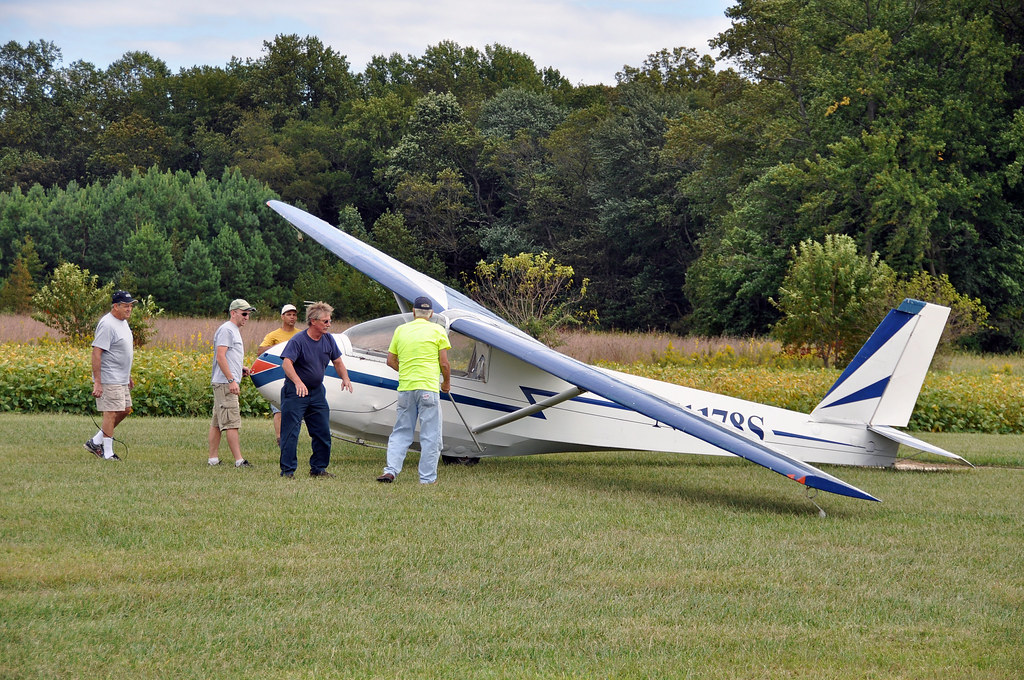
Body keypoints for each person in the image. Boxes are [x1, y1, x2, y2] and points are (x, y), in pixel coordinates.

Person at [377, 296, 451, 485]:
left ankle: (391, 470)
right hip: (428, 388)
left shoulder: (401, 330)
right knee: (430, 435)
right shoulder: (438, 330)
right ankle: (426, 478)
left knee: (401, 431)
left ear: (413, 312)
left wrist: (408, 371)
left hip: (406, 388)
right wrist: (446, 383)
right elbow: (444, 363)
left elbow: (391, 360)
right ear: (431, 314)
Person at [279, 301, 353, 478]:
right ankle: (288, 471)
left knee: (322, 432)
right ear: (313, 321)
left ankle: (318, 468)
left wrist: (345, 378)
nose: (329, 324)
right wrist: (298, 382)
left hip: (317, 392)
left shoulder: (328, 339)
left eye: (330, 321)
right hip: (295, 392)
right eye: (325, 321)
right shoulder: (298, 340)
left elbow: (337, 361)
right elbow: (286, 363)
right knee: (291, 432)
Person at [84, 290, 137, 461]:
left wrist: (128, 375)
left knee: (126, 409)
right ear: (116, 306)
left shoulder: (123, 322)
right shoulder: (107, 324)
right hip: (109, 377)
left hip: (121, 378)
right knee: (111, 412)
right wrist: (97, 382)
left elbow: (122, 351)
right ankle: (108, 453)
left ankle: (96, 441)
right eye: (126, 306)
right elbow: (96, 353)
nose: (129, 309)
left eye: (130, 306)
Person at [208, 299, 255, 468]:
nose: (247, 317)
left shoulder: (233, 330)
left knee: (217, 422)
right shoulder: (227, 330)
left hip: (224, 381)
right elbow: (220, 356)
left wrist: (238, 368)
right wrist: (231, 380)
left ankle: (213, 459)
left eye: (248, 314)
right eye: (244, 313)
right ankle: (239, 460)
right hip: (225, 384)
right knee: (231, 422)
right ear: (233, 312)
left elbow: (227, 356)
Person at [255, 304, 301, 444]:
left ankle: (292, 436)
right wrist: (280, 346)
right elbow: (260, 351)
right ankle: (280, 437)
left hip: (296, 375)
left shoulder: (300, 334)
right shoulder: (274, 335)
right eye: (289, 314)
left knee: (295, 409)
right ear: (282, 317)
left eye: (294, 314)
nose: (292, 317)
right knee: (279, 409)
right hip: (278, 376)